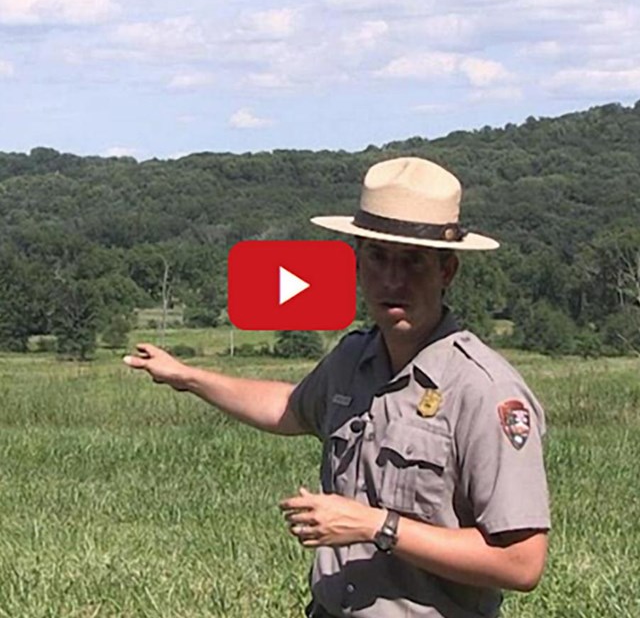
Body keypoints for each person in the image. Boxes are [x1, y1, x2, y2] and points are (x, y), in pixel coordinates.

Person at [124, 156, 550, 618]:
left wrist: (377, 527)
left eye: (413, 262)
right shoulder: (354, 359)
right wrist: (188, 377)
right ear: (357, 262)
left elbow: (521, 562)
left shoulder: (483, 390)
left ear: (448, 271)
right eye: (378, 257)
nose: (392, 279)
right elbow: (289, 407)